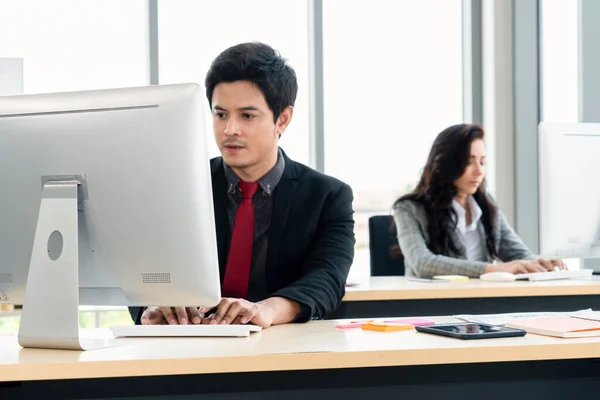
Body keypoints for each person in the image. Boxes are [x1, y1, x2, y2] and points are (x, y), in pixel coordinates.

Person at [129, 42, 355, 328]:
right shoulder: (179, 187)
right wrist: (151, 305)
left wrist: (267, 311)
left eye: (247, 116)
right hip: (188, 347)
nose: (229, 129)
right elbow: (142, 271)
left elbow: (327, 279)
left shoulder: (327, 196)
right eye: (220, 114)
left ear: (282, 119)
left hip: (282, 352)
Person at [392, 123, 564, 278]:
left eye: (482, 162)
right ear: (445, 164)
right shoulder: (409, 208)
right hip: (433, 303)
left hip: (481, 302)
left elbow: (518, 255)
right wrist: (494, 269)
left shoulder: (485, 204)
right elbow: (423, 264)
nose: (479, 171)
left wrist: (540, 263)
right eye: (469, 162)